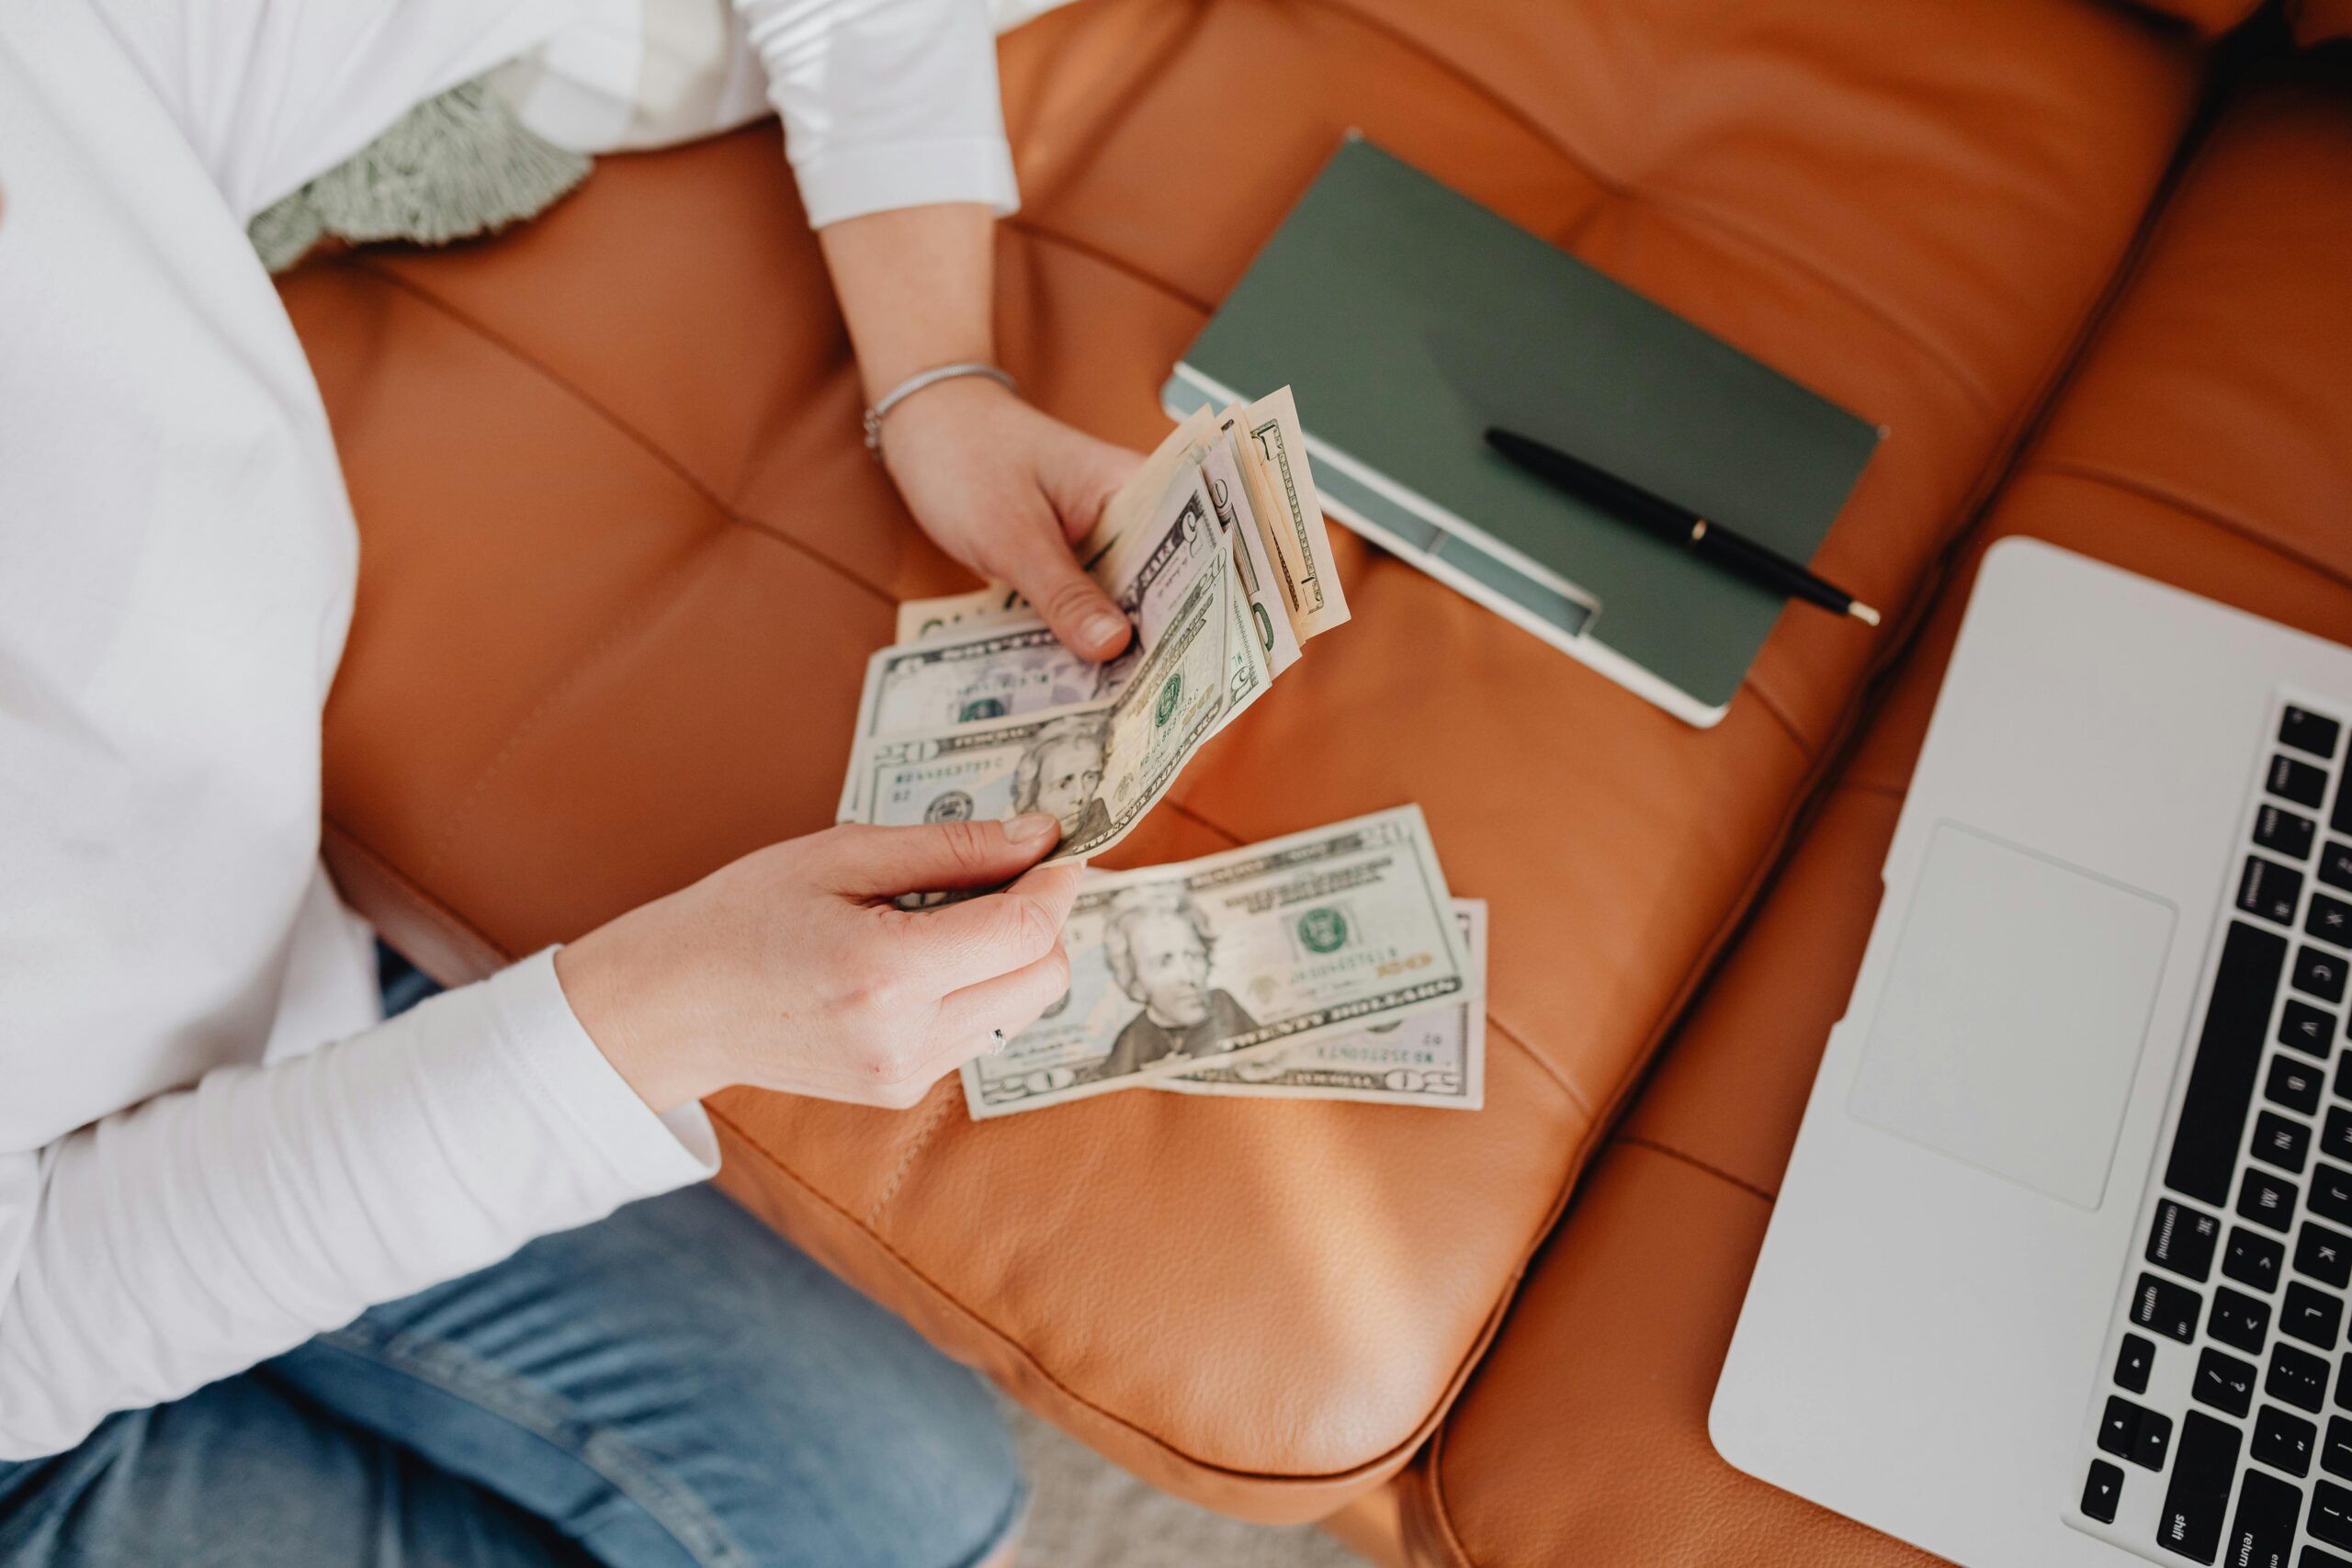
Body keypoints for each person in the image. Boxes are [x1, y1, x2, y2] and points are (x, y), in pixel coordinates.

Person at [0, 4, 1146, 1564]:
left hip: (280, 995)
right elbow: (39, 1305)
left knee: (907, 1495)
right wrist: (644, 1015)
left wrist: (938, 379)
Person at [1090, 887, 1260, 1080]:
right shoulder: (1131, 1040)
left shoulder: (1224, 1005)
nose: (1188, 976)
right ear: (1136, 983)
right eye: (1164, 961)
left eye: (1193, 956)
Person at [1009, 714, 1113, 846]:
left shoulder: (1101, 821)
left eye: (1090, 777)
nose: (1079, 796)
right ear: (1033, 793)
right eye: (1064, 783)